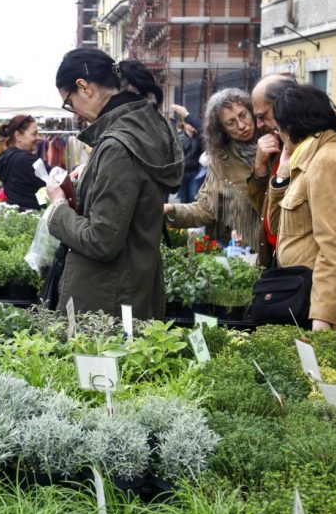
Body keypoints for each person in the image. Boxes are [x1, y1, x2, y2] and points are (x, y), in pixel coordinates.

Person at [45, 48, 183, 319]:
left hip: (107, 300)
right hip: (130, 288)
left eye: (69, 102)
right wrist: (92, 175)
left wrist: (58, 208)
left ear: (84, 87)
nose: (75, 112)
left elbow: (101, 240)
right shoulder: (141, 128)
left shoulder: (117, 146)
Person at [266, 83, 336, 334]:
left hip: (323, 310)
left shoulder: (329, 161)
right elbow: (277, 227)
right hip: (303, 296)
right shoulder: (308, 158)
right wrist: (282, 177)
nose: (278, 133)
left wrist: (322, 318)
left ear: (292, 125)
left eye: (278, 127)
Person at [251, 73, 336, 262]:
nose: (259, 124)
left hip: (318, 263)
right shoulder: (281, 134)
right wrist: (261, 167)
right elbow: (271, 213)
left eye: (262, 116)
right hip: (289, 261)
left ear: (283, 102)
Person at [163, 88, 264, 249]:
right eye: (231, 122)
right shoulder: (222, 162)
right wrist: (172, 210)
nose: (241, 125)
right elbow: (206, 208)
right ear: (222, 130)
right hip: (255, 247)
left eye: (243, 115)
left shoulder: (278, 139)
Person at [0, 115, 45, 210]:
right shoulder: (26, 160)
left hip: (17, 215)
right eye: (34, 134)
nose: (39, 138)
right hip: (32, 217)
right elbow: (55, 180)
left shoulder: (6, 156)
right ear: (18, 136)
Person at [169, 103, 203, 204]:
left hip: (195, 172)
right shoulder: (179, 138)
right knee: (183, 198)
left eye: (193, 124)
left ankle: (191, 219)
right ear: (184, 124)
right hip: (182, 173)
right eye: (189, 124)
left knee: (193, 197)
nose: (192, 126)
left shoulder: (200, 138)